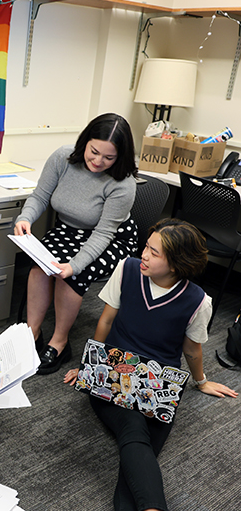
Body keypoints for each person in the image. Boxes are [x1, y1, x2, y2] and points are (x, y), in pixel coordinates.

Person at [65, 218, 238, 511]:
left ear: (176, 263)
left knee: (138, 441)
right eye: (147, 246)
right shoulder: (127, 269)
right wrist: (90, 365)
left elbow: (191, 349)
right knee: (133, 430)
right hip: (112, 372)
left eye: (154, 252)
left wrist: (201, 381)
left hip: (159, 383)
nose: (144, 254)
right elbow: (105, 320)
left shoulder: (198, 301)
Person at [14, 112, 138, 375]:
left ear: (120, 156)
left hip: (112, 238)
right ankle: (31, 334)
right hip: (69, 230)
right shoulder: (63, 157)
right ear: (85, 142)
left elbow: (104, 234)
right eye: (94, 152)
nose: (98, 161)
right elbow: (40, 196)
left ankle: (60, 342)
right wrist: (26, 218)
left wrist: (74, 265)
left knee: (70, 277)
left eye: (108, 157)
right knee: (39, 267)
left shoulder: (123, 183)